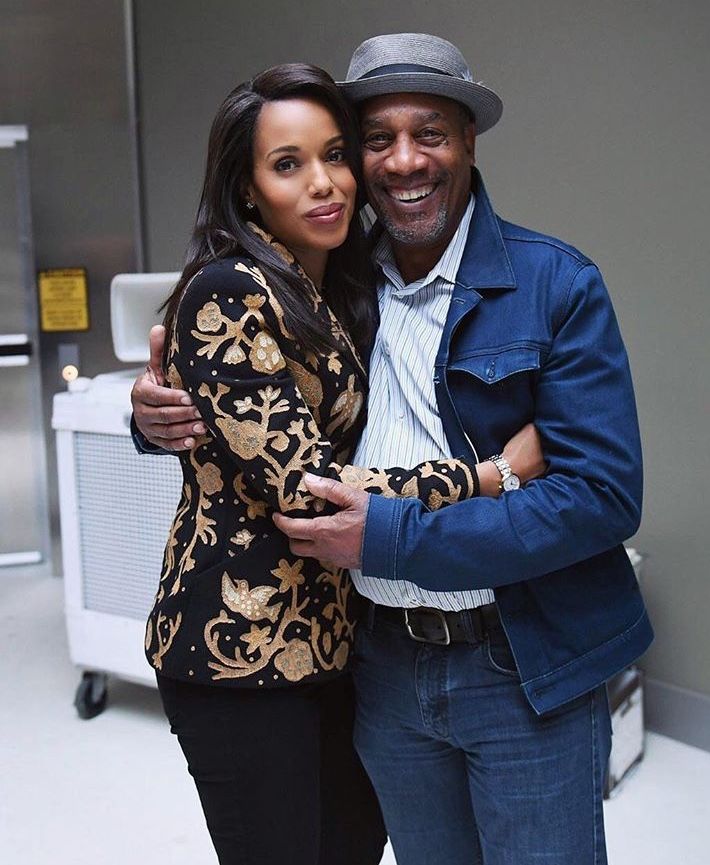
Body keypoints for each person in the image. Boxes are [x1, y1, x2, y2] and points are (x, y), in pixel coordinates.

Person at [131, 61, 544, 865]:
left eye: (334, 155)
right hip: (236, 652)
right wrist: (492, 474)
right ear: (247, 189)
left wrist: (158, 415)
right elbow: (308, 489)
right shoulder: (228, 290)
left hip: (335, 640)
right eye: (288, 164)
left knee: (350, 848)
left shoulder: (341, 285)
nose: (325, 184)